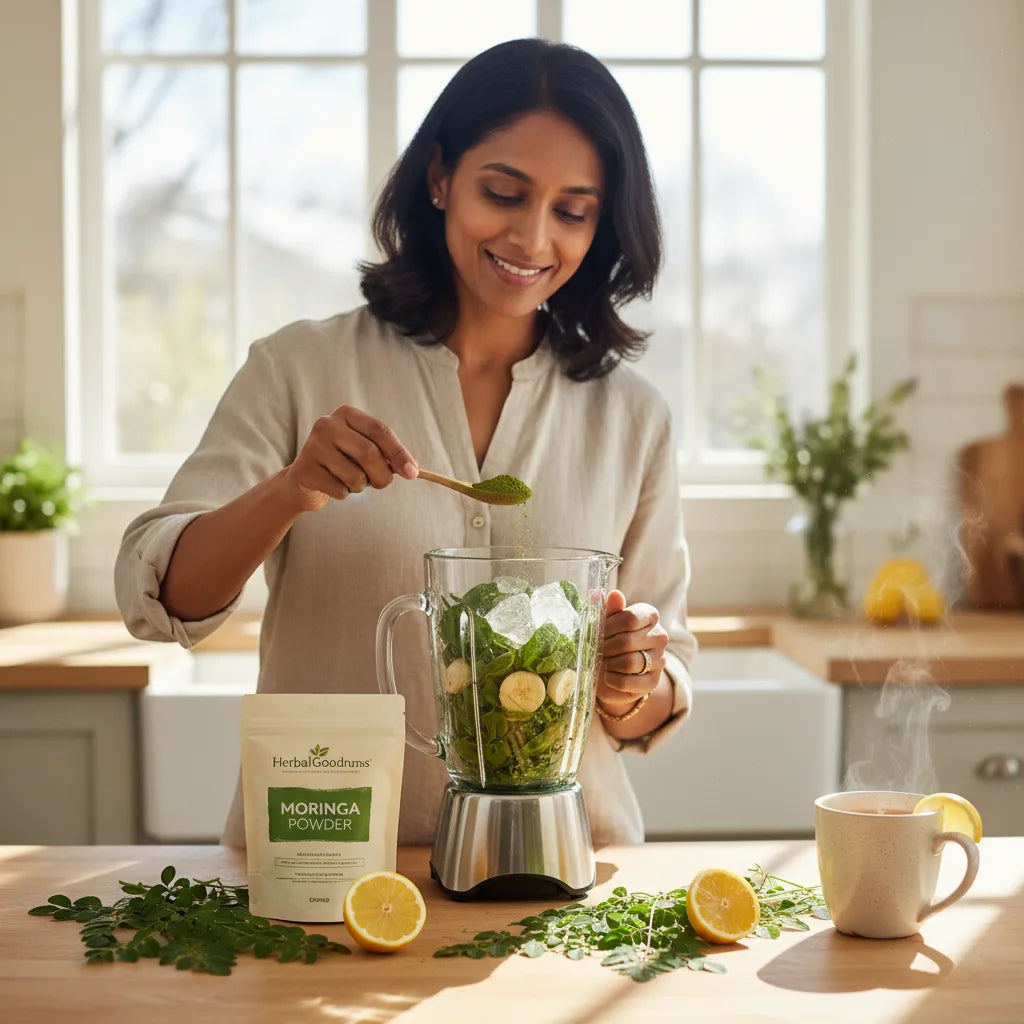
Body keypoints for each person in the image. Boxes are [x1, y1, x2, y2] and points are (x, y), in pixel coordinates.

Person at [115, 37, 698, 847]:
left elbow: (661, 686)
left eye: (572, 210)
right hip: (323, 868)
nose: (533, 239)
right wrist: (289, 491)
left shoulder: (633, 417)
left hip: (568, 882)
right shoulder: (300, 367)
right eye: (504, 192)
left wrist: (636, 675)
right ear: (439, 178)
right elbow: (159, 600)